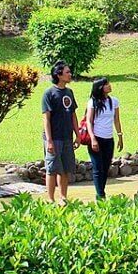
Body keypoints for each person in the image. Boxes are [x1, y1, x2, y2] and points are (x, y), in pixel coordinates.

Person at [41, 62, 80, 204]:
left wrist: (78, 134)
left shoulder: (69, 92)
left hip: (67, 137)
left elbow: (73, 115)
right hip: (54, 138)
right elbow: (46, 118)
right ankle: (50, 199)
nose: (70, 74)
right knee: (52, 168)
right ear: (59, 75)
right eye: (67, 72)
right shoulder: (49, 93)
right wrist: (49, 141)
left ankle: (63, 197)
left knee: (65, 169)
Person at [85, 77, 123, 200]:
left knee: (105, 167)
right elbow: (89, 122)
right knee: (98, 167)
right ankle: (100, 195)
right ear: (101, 87)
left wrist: (120, 136)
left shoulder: (114, 101)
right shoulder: (93, 102)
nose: (109, 85)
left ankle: (101, 191)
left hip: (109, 139)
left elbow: (116, 120)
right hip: (96, 138)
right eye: (106, 84)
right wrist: (93, 139)